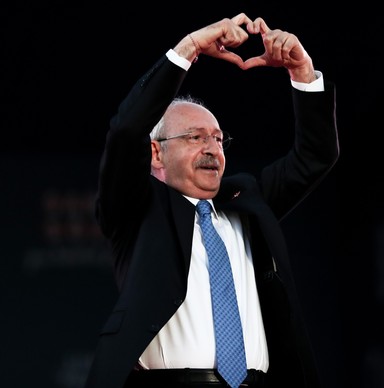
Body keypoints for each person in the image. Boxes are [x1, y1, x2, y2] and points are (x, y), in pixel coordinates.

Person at [84, 12, 339, 388]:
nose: (212, 149)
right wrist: (189, 48)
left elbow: (315, 156)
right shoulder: (136, 209)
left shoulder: (247, 203)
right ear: (156, 154)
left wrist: (302, 72)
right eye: (195, 137)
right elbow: (125, 132)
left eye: (218, 139)